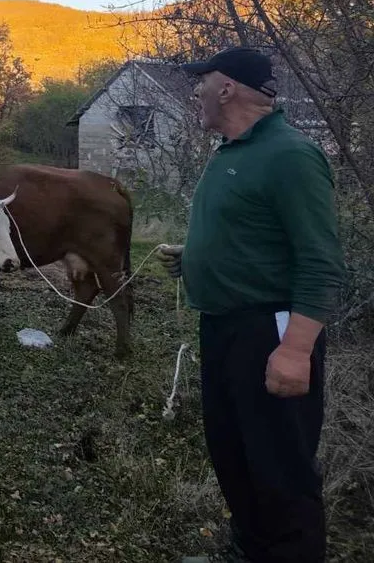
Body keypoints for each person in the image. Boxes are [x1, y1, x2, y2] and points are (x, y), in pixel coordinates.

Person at [157, 47, 345, 563]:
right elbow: (255, 236)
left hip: (271, 331)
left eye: (201, 80)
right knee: (234, 455)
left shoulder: (290, 155)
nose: (194, 91)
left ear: (227, 87)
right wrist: (194, 260)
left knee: (280, 467)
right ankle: (249, 551)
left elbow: (321, 261)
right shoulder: (232, 152)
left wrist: (295, 350)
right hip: (223, 329)